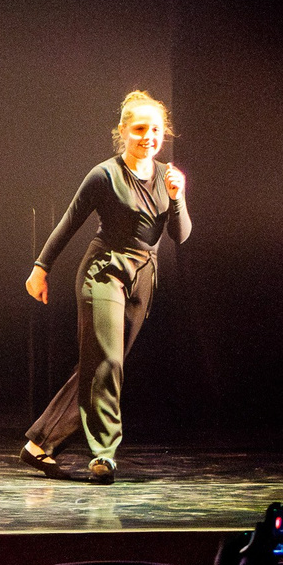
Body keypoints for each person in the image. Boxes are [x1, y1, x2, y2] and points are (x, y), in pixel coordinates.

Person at [21, 91, 190, 485]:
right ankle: (103, 453)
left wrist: (178, 198)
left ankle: (39, 442)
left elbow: (180, 235)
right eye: (140, 129)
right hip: (104, 271)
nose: (148, 136)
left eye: (155, 129)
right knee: (108, 362)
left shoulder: (168, 176)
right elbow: (69, 222)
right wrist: (40, 267)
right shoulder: (105, 174)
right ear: (123, 132)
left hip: (144, 274)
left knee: (100, 364)